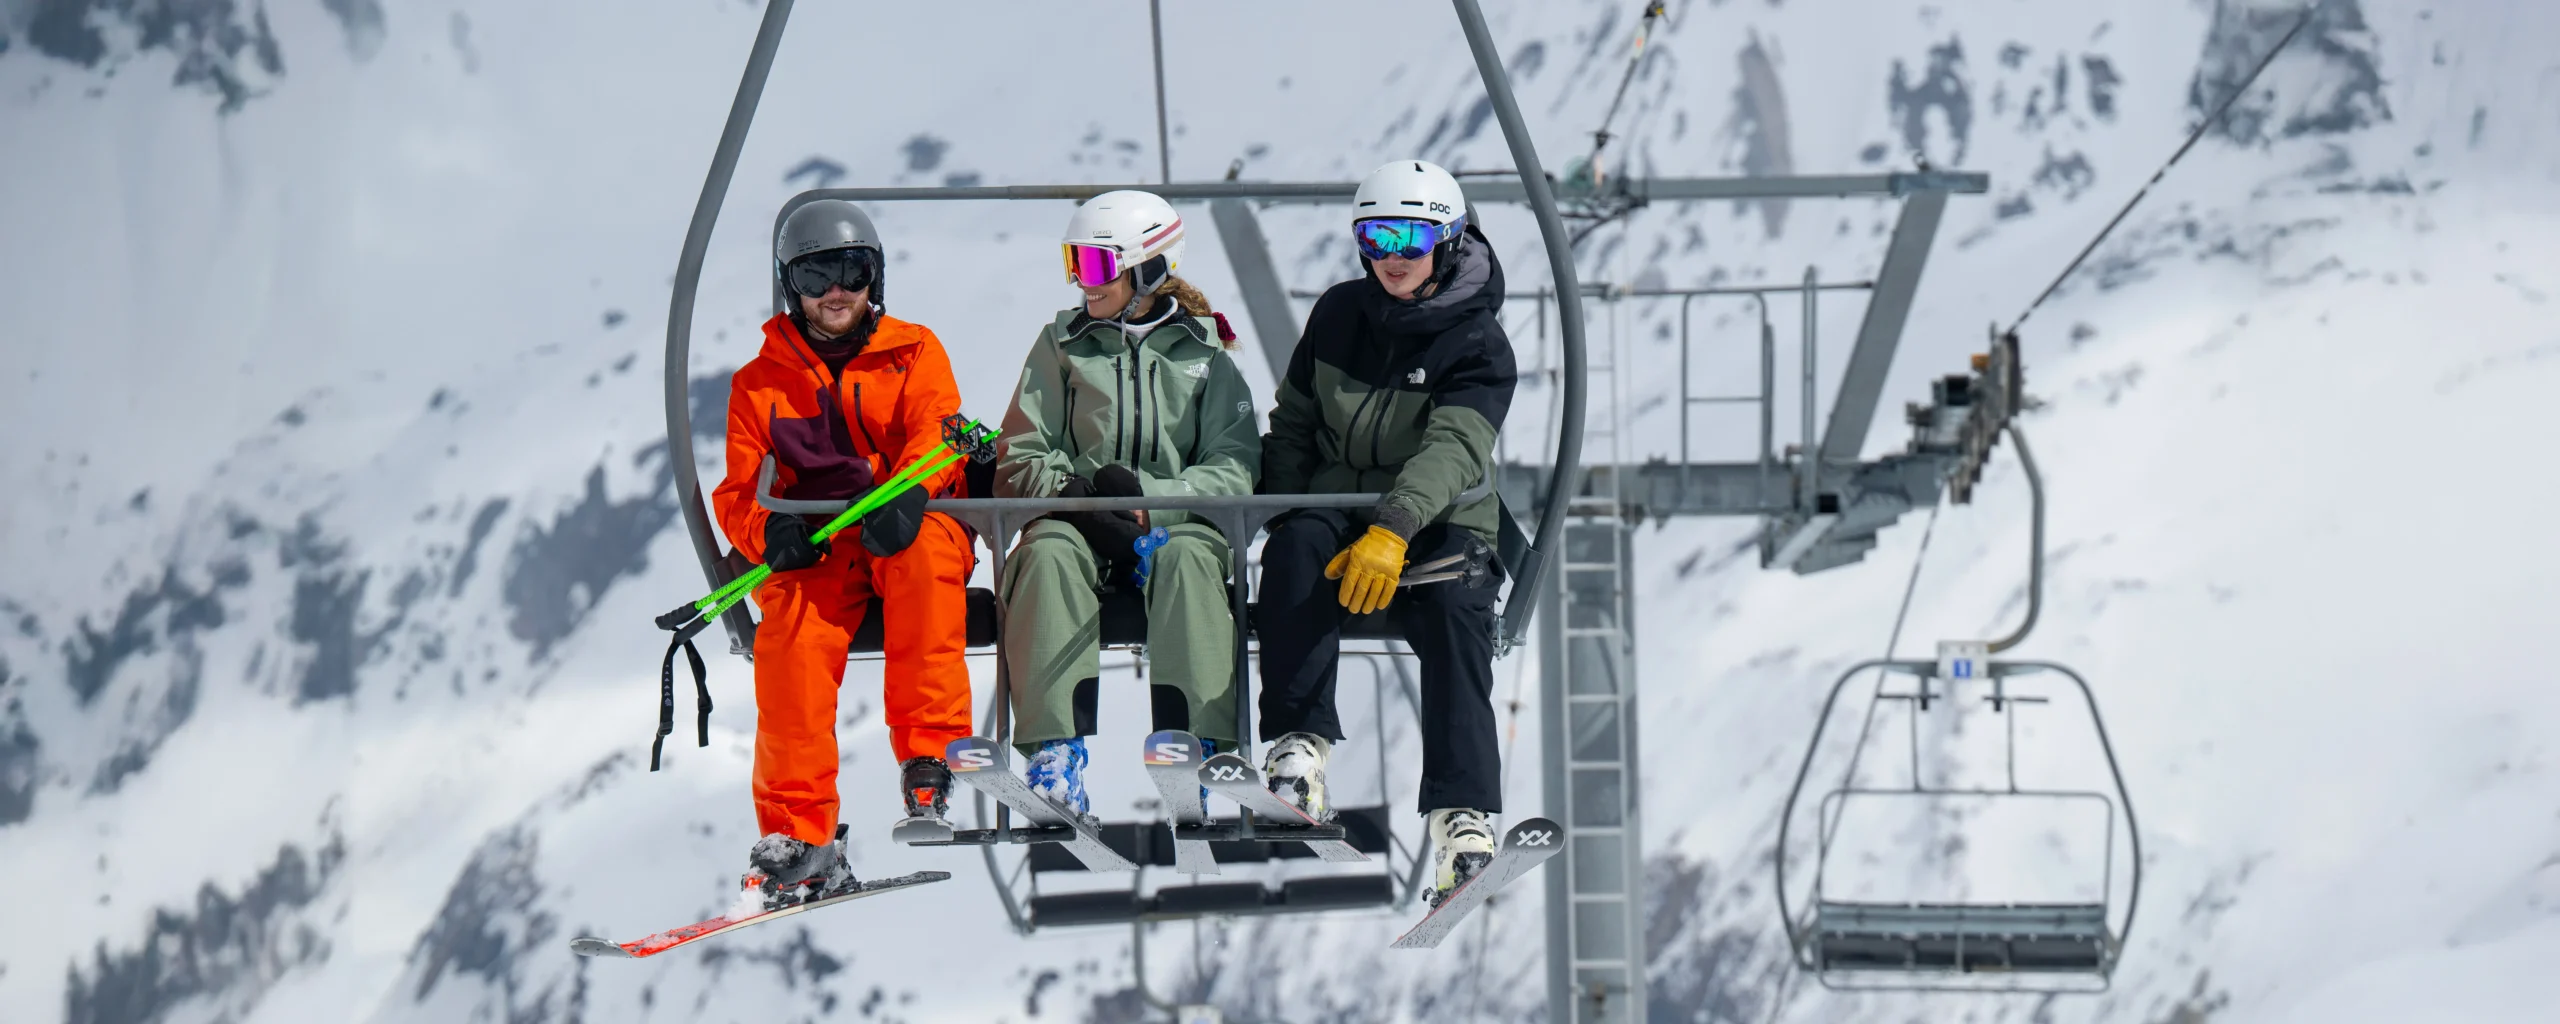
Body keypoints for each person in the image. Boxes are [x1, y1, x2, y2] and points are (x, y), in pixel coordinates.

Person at [1257, 160, 1518, 904]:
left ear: (1449, 236)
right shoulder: (1340, 315)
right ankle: (1298, 752)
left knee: (1457, 606)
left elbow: (1453, 452)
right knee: (1298, 546)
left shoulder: (1478, 343)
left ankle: (1461, 818)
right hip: (1340, 511)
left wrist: (1396, 527)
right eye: (1374, 236)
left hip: (1442, 522)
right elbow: (1295, 423)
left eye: (1409, 235)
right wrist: (1278, 511)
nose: (1391, 256)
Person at [711, 200, 977, 909]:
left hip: (910, 527)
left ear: (875, 276)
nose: (837, 290)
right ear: (789, 285)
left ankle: (929, 760)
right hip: (823, 549)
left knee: (926, 572)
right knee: (790, 639)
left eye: (852, 270)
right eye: (816, 273)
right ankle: (801, 837)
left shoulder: (914, 351)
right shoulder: (759, 385)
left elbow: (938, 435)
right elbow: (740, 490)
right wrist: (769, 534)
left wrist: (910, 492)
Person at [992, 190, 1261, 814]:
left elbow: (1236, 465)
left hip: (1171, 527)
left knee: (1192, 556)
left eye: (1093, 266)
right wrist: (1078, 497)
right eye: (1074, 265)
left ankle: (1195, 743)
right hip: (1078, 525)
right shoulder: (1063, 345)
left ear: (1147, 269)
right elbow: (1021, 453)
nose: (1082, 284)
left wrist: (1153, 502)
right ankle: (1055, 755)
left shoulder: (1203, 354)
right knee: (1046, 555)